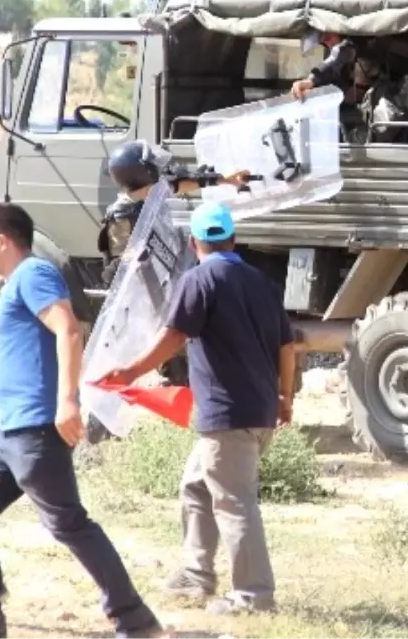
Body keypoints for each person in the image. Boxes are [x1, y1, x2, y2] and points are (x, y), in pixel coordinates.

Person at [0, 204, 161, 639]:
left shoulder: (34, 275)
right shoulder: (9, 290)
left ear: (3, 241)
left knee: (68, 524)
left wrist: (67, 402)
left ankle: (135, 621)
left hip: (37, 427)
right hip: (9, 434)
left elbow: (68, 330)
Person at [101, 202, 295, 616]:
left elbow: (175, 335)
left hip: (227, 416)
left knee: (234, 502)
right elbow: (287, 345)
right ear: (233, 239)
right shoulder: (262, 283)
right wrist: (286, 396)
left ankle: (254, 596)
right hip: (257, 413)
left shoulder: (198, 279)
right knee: (196, 485)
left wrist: (133, 370)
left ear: (194, 242)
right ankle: (196, 575)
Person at [100, 140, 249, 287]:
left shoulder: (151, 193)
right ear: (144, 173)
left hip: (170, 277)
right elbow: (121, 268)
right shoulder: (121, 216)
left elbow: (177, 185)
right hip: (146, 293)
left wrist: (225, 179)